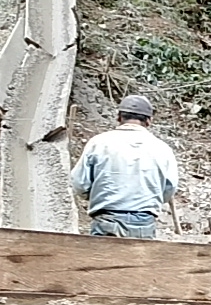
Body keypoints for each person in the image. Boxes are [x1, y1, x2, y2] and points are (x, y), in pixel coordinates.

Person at [70, 94, 179, 239]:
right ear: (149, 121)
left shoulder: (98, 143)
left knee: (101, 254)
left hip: (106, 220)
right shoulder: (162, 149)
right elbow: (169, 189)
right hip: (144, 224)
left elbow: (80, 184)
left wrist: (98, 195)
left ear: (119, 117)